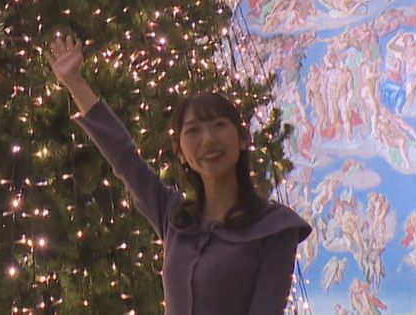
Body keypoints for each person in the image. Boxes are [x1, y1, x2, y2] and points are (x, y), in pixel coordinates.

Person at [44, 33, 312, 314]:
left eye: (219, 125)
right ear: (181, 152)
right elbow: (124, 157)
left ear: (243, 138)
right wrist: (75, 82)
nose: (208, 140)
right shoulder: (175, 216)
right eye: (193, 131)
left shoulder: (274, 226)